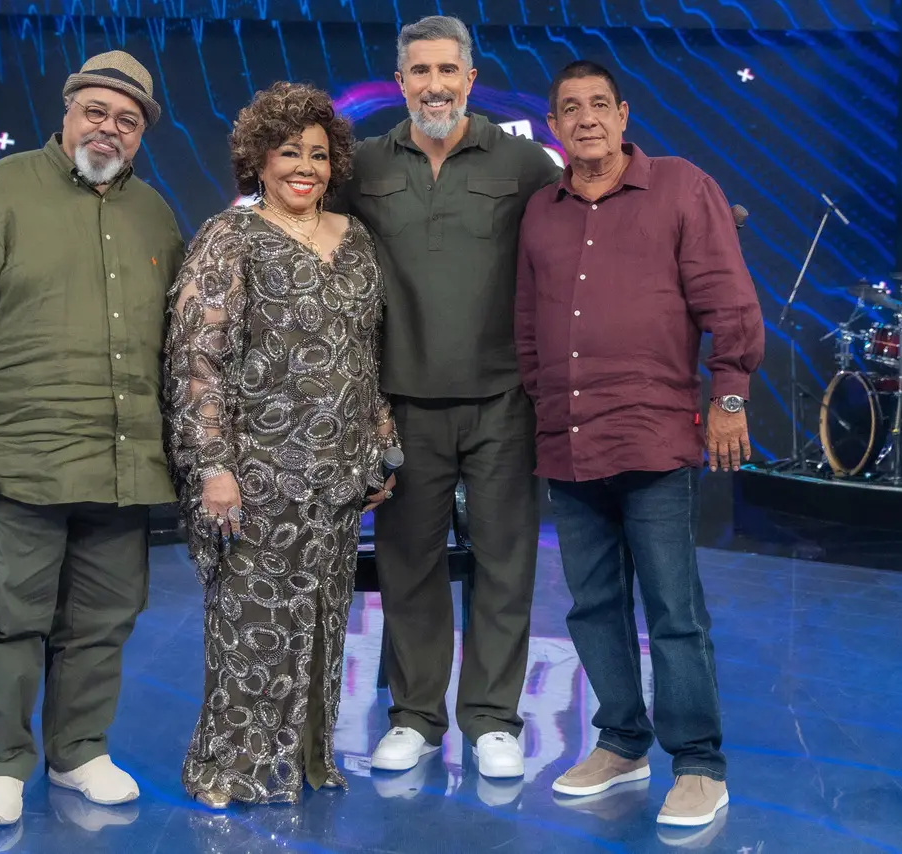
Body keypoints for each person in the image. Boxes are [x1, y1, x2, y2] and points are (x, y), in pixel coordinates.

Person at [0, 51, 185, 827]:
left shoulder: (155, 215)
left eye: (128, 121)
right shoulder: (3, 191)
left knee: (102, 621)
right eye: (97, 112)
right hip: (19, 459)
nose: (110, 128)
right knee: (8, 619)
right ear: (66, 114)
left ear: (142, 136)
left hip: (124, 466)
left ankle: (79, 752)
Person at [515, 60, 763, 827]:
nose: (585, 119)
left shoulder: (683, 187)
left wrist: (727, 397)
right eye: (569, 109)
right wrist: (541, 404)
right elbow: (529, 325)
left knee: (672, 608)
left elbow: (731, 302)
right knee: (591, 607)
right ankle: (621, 743)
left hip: (654, 434)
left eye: (599, 105)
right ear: (553, 128)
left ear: (624, 115)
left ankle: (698, 765)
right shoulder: (541, 212)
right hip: (568, 437)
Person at [332, 15, 561, 779]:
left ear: (470, 77)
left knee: (504, 562)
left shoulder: (526, 161)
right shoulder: (360, 165)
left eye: (447, 70)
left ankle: (493, 718)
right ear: (400, 82)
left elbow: (585, 225)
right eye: (419, 71)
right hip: (402, 401)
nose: (434, 84)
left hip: (503, 399)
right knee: (408, 564)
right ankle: (416, 717)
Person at [163, 81, 396, 809]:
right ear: (257, 162)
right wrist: (214, 467)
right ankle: (231, 769)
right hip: (254, 475)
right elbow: (196, 359)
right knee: (251, 629)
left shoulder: (355, 241)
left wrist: (380, 442)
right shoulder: (230, 237)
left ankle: (301, 761)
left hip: (336, 481)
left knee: (322, 623)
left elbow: (364, 351)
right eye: (288, 151)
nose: (306, 166)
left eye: (319, 154)